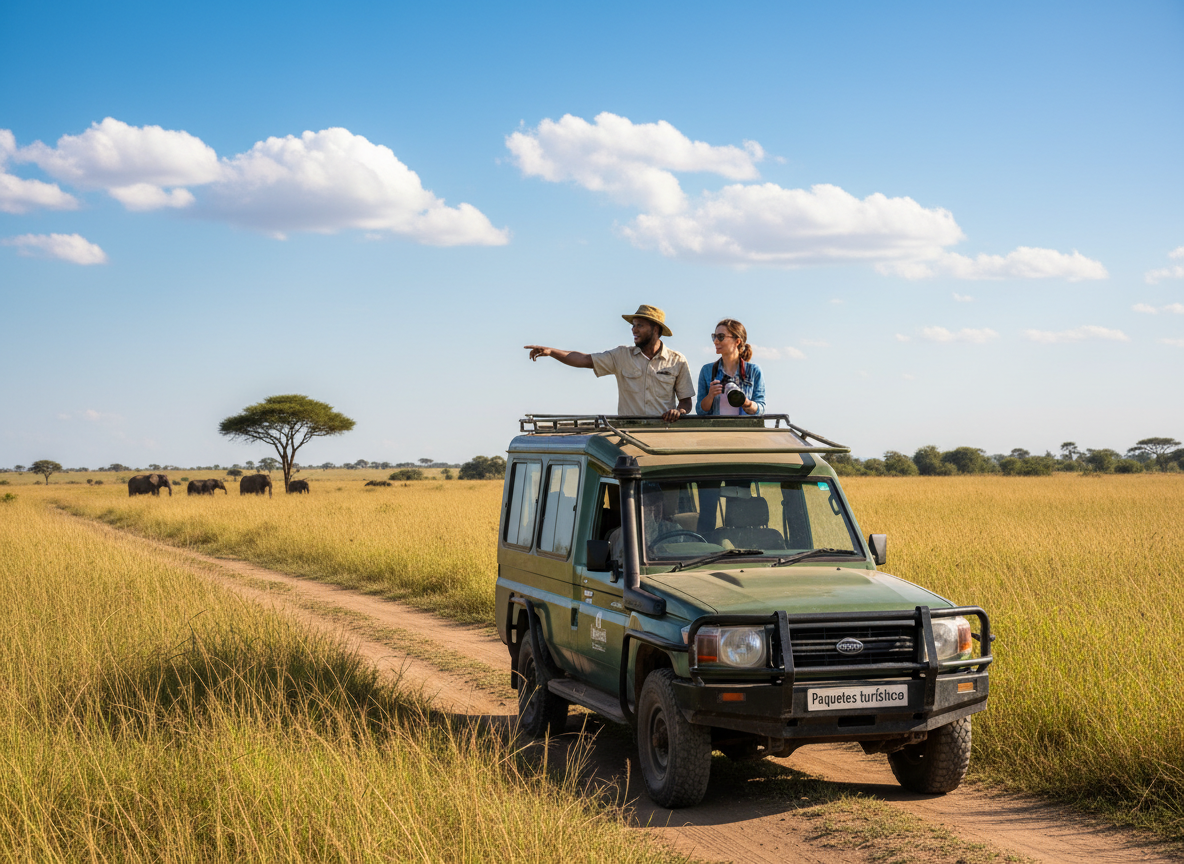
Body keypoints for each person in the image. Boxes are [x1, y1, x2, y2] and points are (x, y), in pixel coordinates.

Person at [525, 305, 694, 422]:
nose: (634, 330)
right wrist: (551, 351)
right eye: (633, 326)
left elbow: (686, 402)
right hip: (629, 435)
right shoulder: (621, 355)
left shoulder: (677, 361)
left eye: (639, 325)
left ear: (656, 329)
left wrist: (678, 412)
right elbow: (584, 359)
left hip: (663, 433)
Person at [696, 318, 766, 416]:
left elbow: (761, 408)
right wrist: (710, 396)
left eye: (721, 337)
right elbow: (700, 411)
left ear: (737, 341)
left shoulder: (754, 371)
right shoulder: (707, 371)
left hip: (745, 430)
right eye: (714, 336)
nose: (715, 341)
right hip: (715, 430)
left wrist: (746, 403)